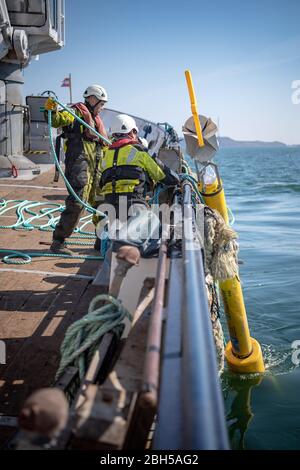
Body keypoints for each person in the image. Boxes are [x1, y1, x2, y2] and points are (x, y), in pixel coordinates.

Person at [44, 85, 108, 254]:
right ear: (92, 99)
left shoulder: (96, 120)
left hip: (95, 167)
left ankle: (101, 240)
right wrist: (51, 110)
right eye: (101, 103)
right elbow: (57, 120)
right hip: (80, 164)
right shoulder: (76, 113)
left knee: (101, 202)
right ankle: (59, 241)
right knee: (78, 202)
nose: (103, 107)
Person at [98, 113, 179, 216]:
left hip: (109, 207)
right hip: (133, 204)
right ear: (132, 132)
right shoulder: (138, 150)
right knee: (155, 228)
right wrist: (176, 179)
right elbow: (160, 173)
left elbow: (101, 183)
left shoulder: (106, 154)